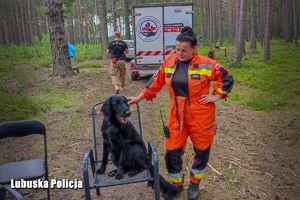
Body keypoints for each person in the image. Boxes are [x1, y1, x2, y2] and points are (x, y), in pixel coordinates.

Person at [128, 26, 234, 200]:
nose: (180, 53)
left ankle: (194, 183)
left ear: (194, 49)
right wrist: (138, 98)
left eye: (184, 50)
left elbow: (227, 77)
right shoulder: (169, 63)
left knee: (201, 152)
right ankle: (176, 185)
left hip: (201, 116)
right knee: (172, 153)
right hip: (176, 115)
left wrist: (216, 95)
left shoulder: (206, 63)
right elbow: (154, 83)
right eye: (177, 49)